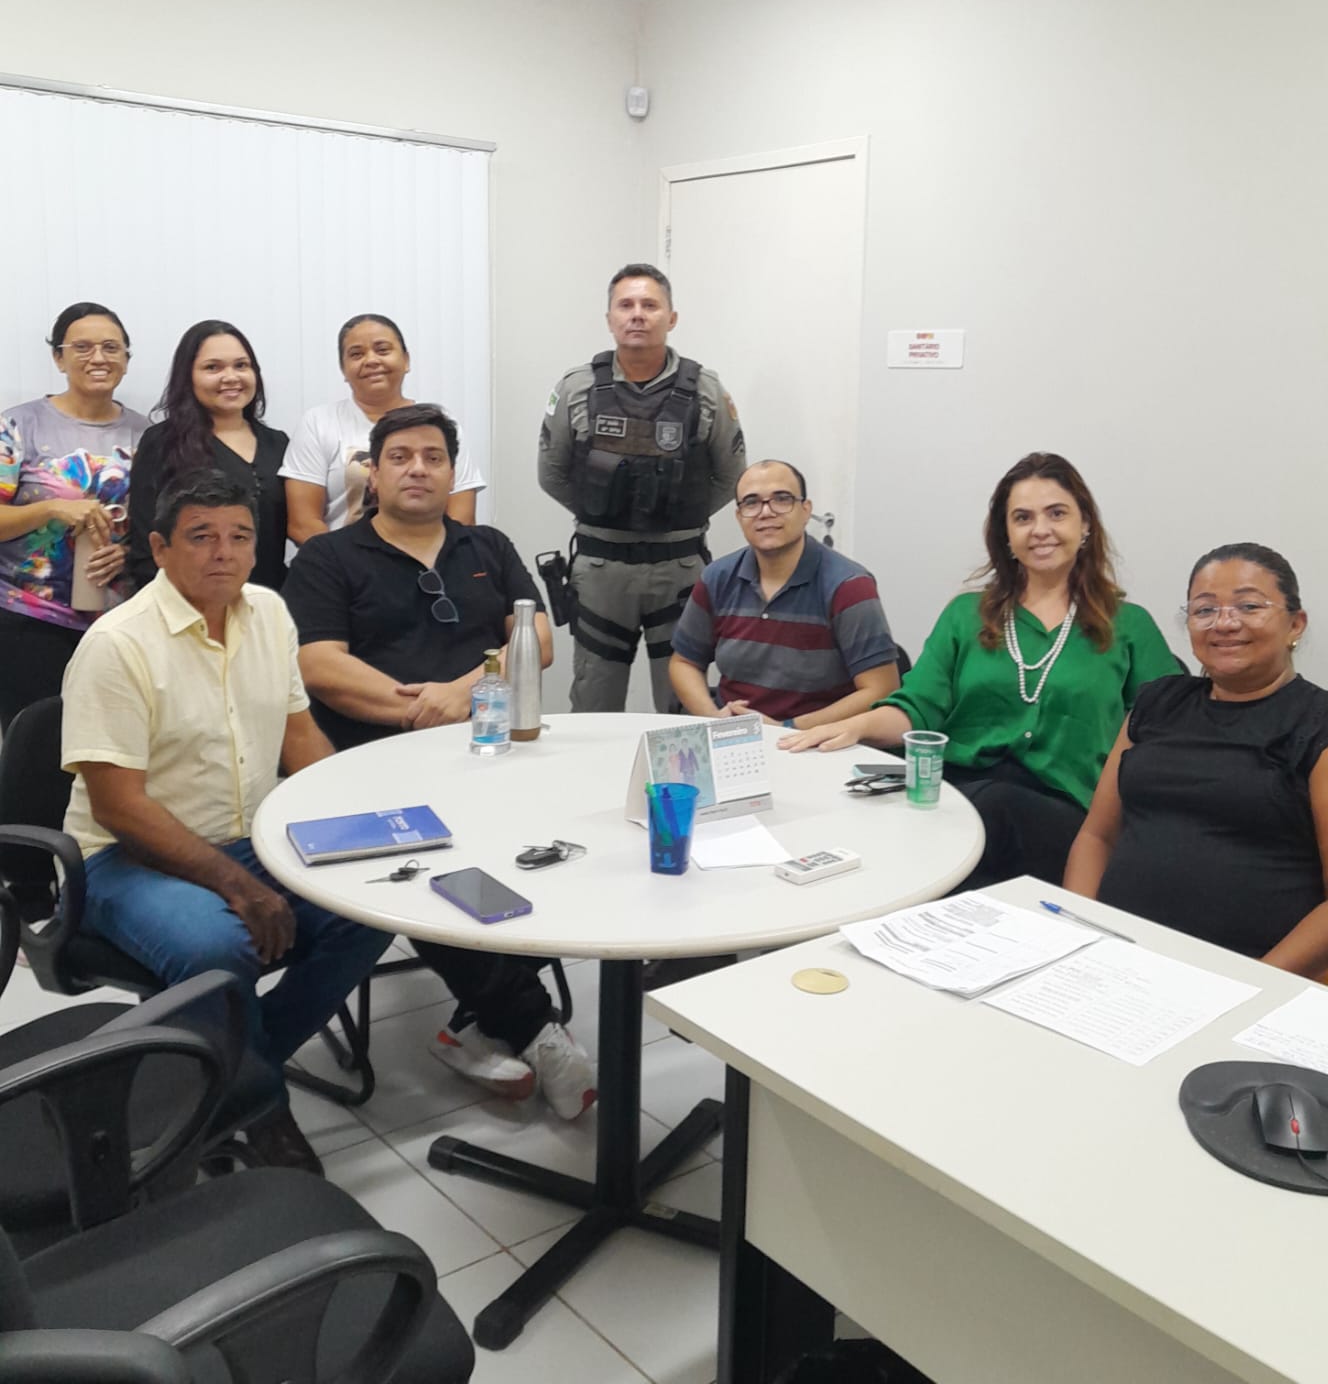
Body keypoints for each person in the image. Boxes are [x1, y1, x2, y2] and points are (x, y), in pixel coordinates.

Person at [60, 468, 389, 1171]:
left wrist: (365, 826)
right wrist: (240, 888)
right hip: (125, 857)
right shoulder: (118, 644)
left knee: (373, 904)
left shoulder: (269, 611)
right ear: (160, 546)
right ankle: (259, 1106)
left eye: (239, 536)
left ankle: (228, 1069)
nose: (224, 553)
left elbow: (300, 738)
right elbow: (119, 807)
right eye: (202, 537)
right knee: (218, 947)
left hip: (252, 836)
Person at [284, 403, 596, 1119]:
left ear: (452, 471)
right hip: (374, 762)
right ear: (375, 470)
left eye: (432, 456)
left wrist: (460, 694)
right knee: (437, 861)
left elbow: (537, 640)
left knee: (539, 851)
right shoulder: (330, 557)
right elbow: (319, 664)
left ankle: (473, 1021)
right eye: (400, 457)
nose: (417, 468)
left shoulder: (486, 545)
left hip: (491, 749)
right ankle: (533, 1025)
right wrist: (418, 710)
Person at [780, 452, 1181, 889]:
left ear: (1085, 526)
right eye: (1023, 518)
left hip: (1067, 814)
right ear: (1006, 536)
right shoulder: (966, 614)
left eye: (1057, 514)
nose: (1040, 529)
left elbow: (1166, 736)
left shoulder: (1130, 626)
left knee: (986, 815)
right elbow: (918, 708)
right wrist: (853, 727)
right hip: (959, 798)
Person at [1064, 544, 1328, 984]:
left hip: (1253, 981)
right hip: (1118, 964)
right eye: (1204, 610)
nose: (1225, 623)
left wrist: (1249, 988)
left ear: (1295, 624)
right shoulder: (1157, 702)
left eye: (1249, 606)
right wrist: (1079, 932)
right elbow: (1097, 835)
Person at [538, 263, 747, 713]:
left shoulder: (706, 390)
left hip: (678, 568)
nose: (637, 315)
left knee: (680, 707)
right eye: (626, 305)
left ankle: (680, 787)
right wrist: (601, 508)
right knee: (594, 702)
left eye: (650, 305)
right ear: (610, 317)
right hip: (600, 570)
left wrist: (678, 513)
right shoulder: (576, 387)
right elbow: (551, 473)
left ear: (671, 318)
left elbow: (731, 476)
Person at [0, 301, 147, 728]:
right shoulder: (18, 427)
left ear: (125, 359)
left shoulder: (148, 434)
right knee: (37, 748)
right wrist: (51, 508)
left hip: (120, 623)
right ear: (58, 357)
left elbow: (161, 523)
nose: (98, 358)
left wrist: (131, 552)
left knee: (111, 747)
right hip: (28, 620)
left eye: (110, 347)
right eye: (81, 347)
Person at [670, 459, 900, 727]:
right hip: (734, 741)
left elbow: (881, 689)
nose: (765, 512)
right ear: (739, 516)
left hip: (817, 746)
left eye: (781, 499)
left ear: (805, 510)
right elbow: (684, 662)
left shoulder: (849, 586)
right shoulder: (717, 578)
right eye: (751, 502)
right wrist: (714, 718)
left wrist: (786, 730)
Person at [281, 313, 484, 543]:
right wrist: (348, 568)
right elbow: (302, 523)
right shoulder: (319, 422)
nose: (371, 360)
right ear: (343, 369)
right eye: (356, 354)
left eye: (383, 350)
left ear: (406, 360)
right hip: (341, 571)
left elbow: (462, 518)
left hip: (429, 569)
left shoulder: (440, 425)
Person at [127, 321, 290, 590]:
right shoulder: (163, 442)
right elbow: (145, 545)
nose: (231, 377)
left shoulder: (279, 444)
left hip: (267, 606)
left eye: (241, 365)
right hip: (189, 604)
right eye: (213, 367)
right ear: (187, 376)